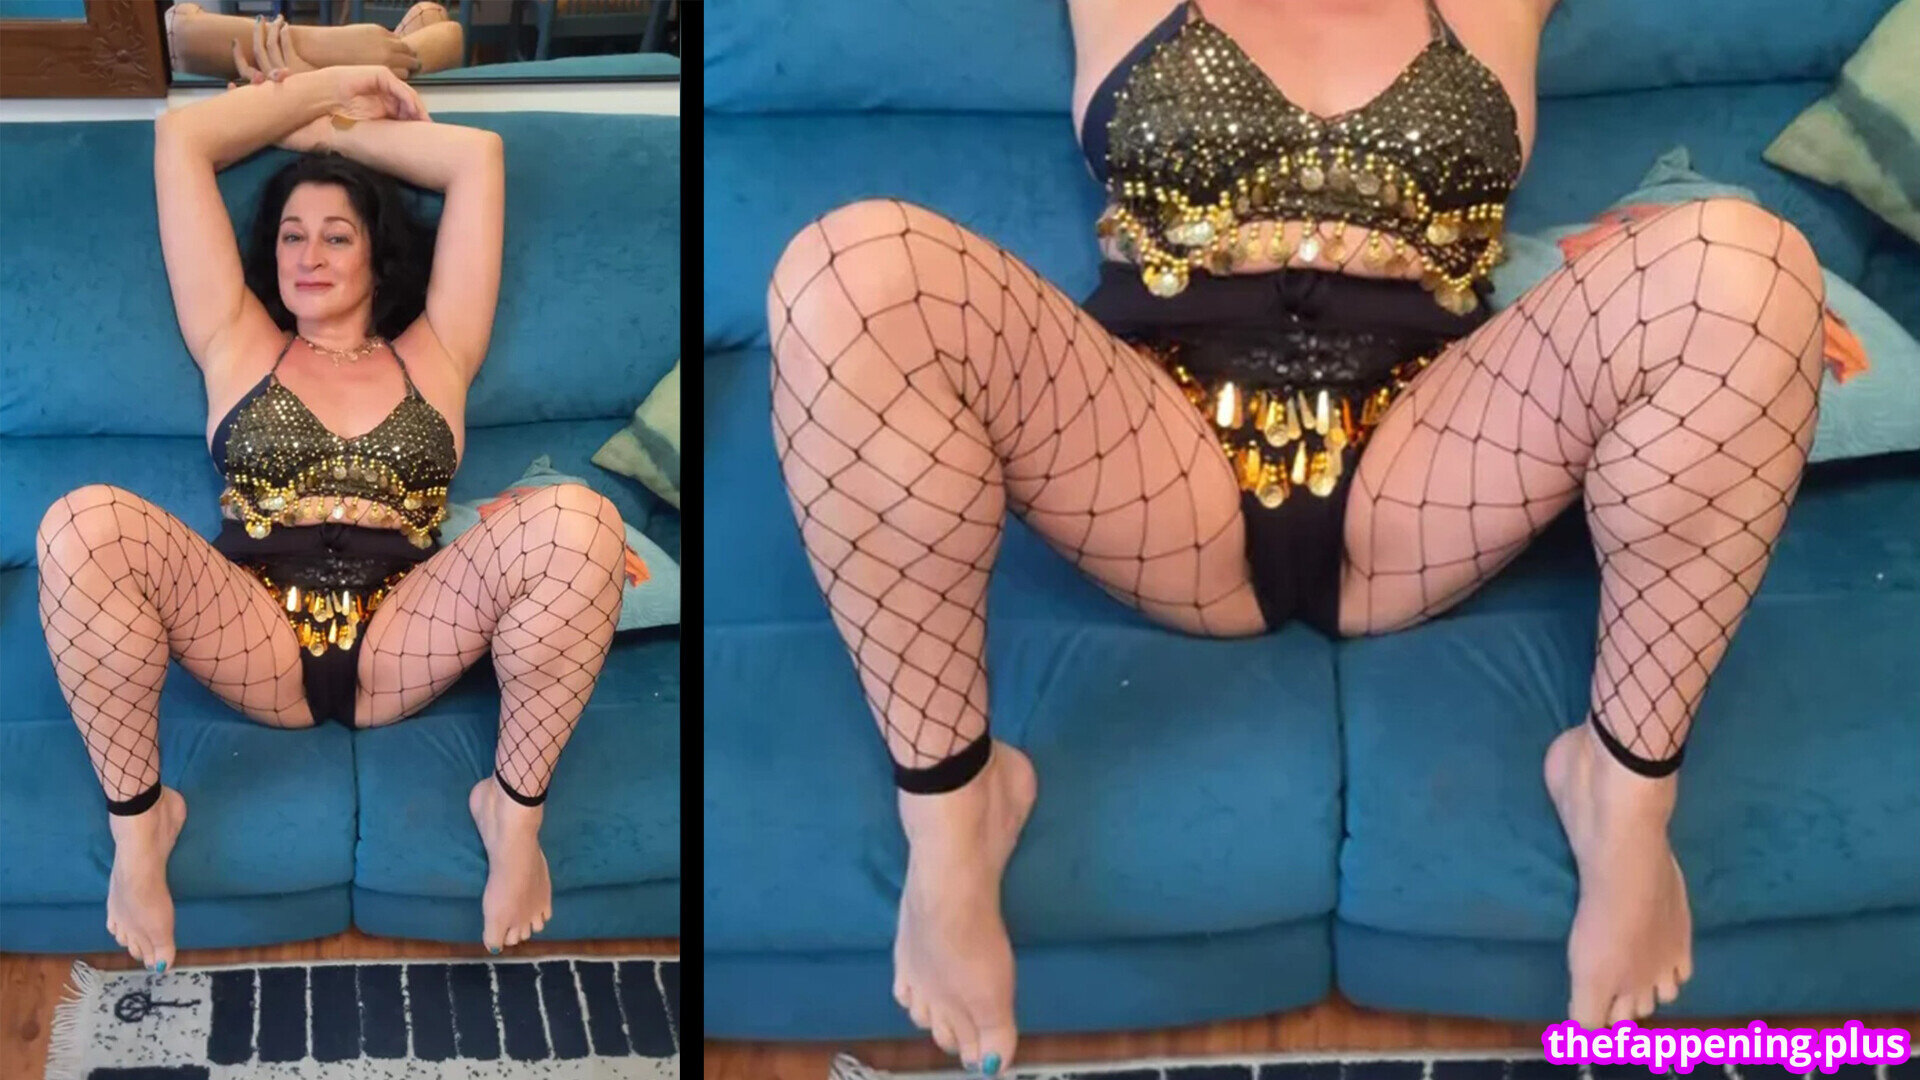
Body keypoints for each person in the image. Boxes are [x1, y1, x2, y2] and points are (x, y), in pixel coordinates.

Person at [766, 0, 1827, 1071]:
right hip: (1150, 448)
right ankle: (954, 812)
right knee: (850, 269)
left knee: (1749, 266)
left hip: (1435, 454)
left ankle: (1623, 794)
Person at [34, 63, 629, 974]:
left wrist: (326, 128)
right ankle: (141, 824)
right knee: (80, 522)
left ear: (377, 256)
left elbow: (477, 158)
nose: (308, 255)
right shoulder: (238, 341)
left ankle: (512, 814)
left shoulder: (439, 352)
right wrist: (336, 81)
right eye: (291, 235)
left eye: (337, 235)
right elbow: (182, 139)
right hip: (252, 633)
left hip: (407, 634)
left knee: (583, 520)